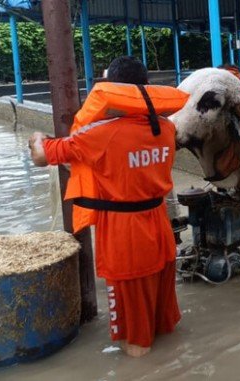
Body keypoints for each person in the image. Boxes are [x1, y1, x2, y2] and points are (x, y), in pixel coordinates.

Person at [29, 56, 189, 357]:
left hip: (124, 239)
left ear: (112, 89)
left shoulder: (99, 135)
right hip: (160, 229)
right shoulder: (166, 128)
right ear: (146, 89)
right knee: (162, 324)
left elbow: (41, 155)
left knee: (135, 341)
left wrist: (37, 137)